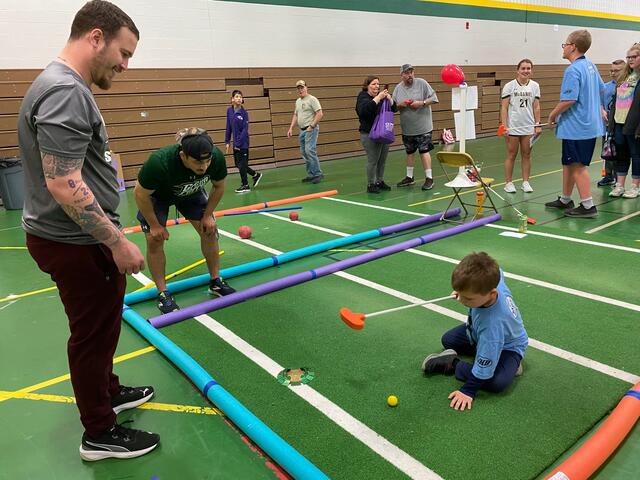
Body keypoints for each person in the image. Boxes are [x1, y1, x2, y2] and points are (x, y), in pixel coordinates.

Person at [18, 0, 159, 461]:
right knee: (92, 335)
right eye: (124, 53)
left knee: (100, 327)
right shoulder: (66, 91)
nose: (124, 65)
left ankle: (108, 390)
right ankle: (99, 432)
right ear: (95, 37)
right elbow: (63, 181)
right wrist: (115, 241)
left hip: (69, 238)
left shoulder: (62, 85)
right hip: (76, 242)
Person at [134, 128, 236, 314]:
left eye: (207, 160)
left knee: (209, 230)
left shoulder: (216, 157)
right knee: (154, 239)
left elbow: (219, 186)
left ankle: (215, 282)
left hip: (190, 191)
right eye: (198, 161)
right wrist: (155, 226)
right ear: (183, 155)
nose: (204, 166)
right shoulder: (159, 162)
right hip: (158, 196)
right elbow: (140, 194)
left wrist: (207, 216)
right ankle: (163, 293)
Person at [422, 252, 528, 411]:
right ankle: (505, 365)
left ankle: (452, 363)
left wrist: (468, 390)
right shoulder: (492, 278)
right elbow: (496, 270)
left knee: (497, 382)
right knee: (449, 340)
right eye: (460, 294)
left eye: (468, 299)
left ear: (491, 293)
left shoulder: (493, 325)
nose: (462, 301)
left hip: (507, 346)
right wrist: (464, 290)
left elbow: (487, 356)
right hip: (476, 333)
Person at [545, 30, 605, 218]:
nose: (563, 48)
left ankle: (588, 205)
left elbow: (569, 100)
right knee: (568, 163)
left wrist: (552, 115)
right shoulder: (590, 66)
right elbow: (601, 89)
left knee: (578, 165)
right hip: (586, 126)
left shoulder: (572, 70)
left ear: (573, 47)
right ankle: (565, 199)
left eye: (565, 44)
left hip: (577, 128)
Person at [392, 64, 439, 191]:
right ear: (401, 75)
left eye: (411, 72)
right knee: (409, 152)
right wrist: (400, 104)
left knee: (424, 151)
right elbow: (393, 107)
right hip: (407, 128)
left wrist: (421, 103)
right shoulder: (398, 89)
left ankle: (429, 178)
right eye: (407, 73)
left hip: (423, 126)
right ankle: (409, 177)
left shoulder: (422, 83)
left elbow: (434, 98)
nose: (410, 75)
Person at [500, 59, 541, 193]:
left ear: (531, 70)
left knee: (527, 154)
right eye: (523, 68)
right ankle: (508, 183)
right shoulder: (509, 86)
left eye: (528, 68)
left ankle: (525, 182)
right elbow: (504, 107)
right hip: (513, 127)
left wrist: (537, 124)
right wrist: (505, 126)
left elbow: (536, 107)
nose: (526, 71)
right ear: (518, 70)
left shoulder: (535, 86)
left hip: (528, 126)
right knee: (511, 154)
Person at [607, 44, 640, 199]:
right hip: (619, 122)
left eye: (634, 56)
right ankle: (619, 184)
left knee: (636, 154)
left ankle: (635, 186)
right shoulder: (624, 77)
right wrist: (611, 123)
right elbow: (616, 100)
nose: (630, 59)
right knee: (621, 154)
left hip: (634, 125)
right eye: (628, 57)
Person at [355, 76, 397, 193]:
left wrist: (390, 99)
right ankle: (371, 184)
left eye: (378, 84)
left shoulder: (382, 98)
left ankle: (380, 181)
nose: (376, 86)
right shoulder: (363, 96)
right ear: (367, 86)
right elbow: (364, 111)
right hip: (369, 134)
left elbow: (394, 109)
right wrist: (378, 97)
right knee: (373, 160)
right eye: (373, 84)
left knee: (382, 160)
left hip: (383, 133)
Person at [225, 89, 262, 193]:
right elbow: (228, 127)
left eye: (240, 97)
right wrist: (227, 141)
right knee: (238, 164)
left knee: (242, 165)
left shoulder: (244, 113)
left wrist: (238, 144)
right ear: (232, 99)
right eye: (236, 96)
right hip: (235, 143)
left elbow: (245, 130)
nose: (239, 98)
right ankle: (255, 175)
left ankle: (245, 185)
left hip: (243, 143)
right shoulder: (229, 111)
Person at [287, 80, 324, 183]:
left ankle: (318, 173)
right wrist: (291, 128)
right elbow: (296, 115)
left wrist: (312, 125)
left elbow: (320, 113)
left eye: (302, 87)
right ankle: (311, 174)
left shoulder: (312, 99)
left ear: (306, 87)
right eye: (298, 88)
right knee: (304, 152)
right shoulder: (298, 101)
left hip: (310, 129)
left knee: (309, 150)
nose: (300, 90)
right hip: (302, 129)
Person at [597, 59, 626, 187]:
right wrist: (602, 110)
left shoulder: (628, 86)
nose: (613, 73)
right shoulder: (605, 86)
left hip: (622, 124)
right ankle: (608, 176)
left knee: (622, 152)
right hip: (608, 126)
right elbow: (599, 102)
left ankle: (619, 177)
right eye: (611, 70)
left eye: (617, 71)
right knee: (608, 150)